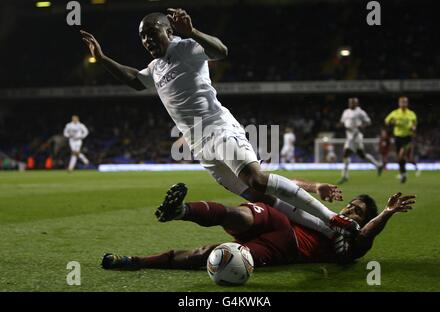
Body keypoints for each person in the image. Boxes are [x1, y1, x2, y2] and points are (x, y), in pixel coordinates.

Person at [80, 8, 358, 234]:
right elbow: (135, 81)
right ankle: (329, 232)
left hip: (218, 127)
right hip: (199, 144)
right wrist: (103, 59)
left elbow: (221, 51)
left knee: (257, 179)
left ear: (168, 30)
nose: (147, 41)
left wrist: (193, 32)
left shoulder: (187, 47)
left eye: (151, 34)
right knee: (257, 197)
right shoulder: (155, 67)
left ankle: (333, 218)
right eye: (142, 37)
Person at [101, 183, 415, 269]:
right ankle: (180, 210)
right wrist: (315, 186)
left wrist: (385, 213)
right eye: (351, 205)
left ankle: (137, 261)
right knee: (242, 214)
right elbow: (285, 192)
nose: (350, 209)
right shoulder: (323, 216)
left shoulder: (353, 241)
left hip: (285, 248)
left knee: (211, 255)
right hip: (279, 223)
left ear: (363, 219)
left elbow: (367, 234)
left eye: (358, 211)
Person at [337, 98, 383, 185]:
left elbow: (368, 122)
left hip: (356, 136)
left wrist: (362, 126)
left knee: (346, 155)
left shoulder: (360, 112)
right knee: (362, 155)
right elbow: (343, 122)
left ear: (356, 103)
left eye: (353, 102)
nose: (351, 104)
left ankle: (344, 177)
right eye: (350, 102)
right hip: (349, 136)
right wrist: (340, 125)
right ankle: (378, 165)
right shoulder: (346, 111)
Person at [385, 96, 417, 183]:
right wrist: (392, 122)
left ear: (407, 103)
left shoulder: (411, 114)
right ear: (399, 103)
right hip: (397, 138)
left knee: (400, 155)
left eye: (405, 102)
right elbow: (387, 121)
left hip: (407, 138)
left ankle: (403, 173)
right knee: (400, 158)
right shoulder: (395, 113)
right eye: (402, 102)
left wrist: (413, 128)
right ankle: (403, 174)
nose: (403, 104)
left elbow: (414, 125)